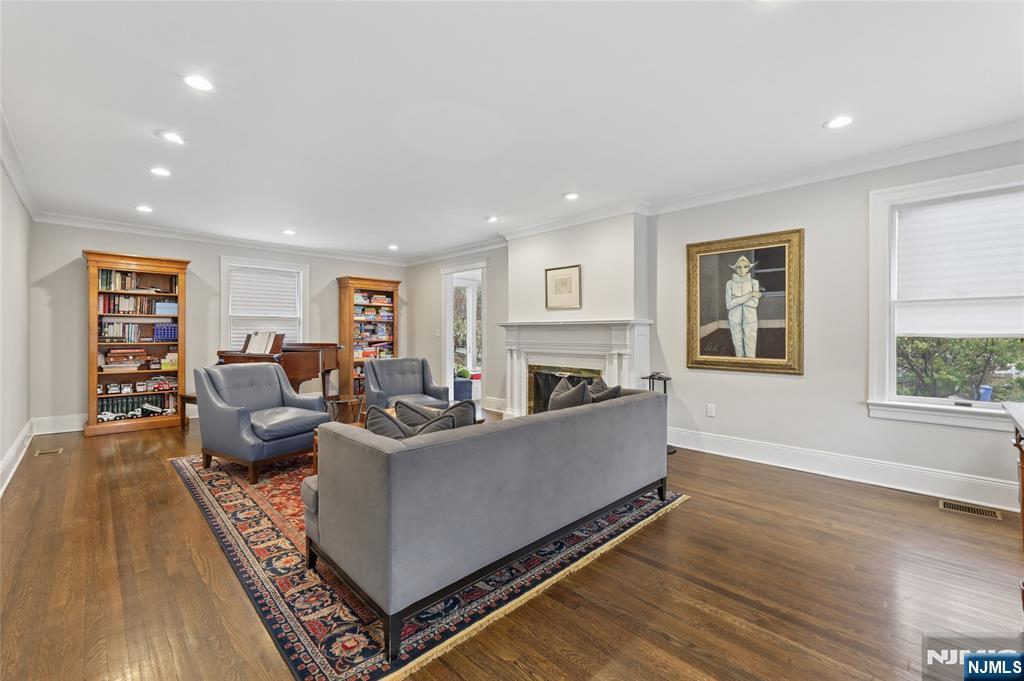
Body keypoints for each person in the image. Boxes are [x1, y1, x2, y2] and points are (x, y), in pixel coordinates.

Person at [724, 255, 762, 358]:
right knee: (738, 347)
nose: (742, 269)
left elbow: (754, 304)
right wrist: (750, 295)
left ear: (749, 267)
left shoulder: (754, 283)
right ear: (735, 268)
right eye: (739, 267)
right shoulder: (729, 284)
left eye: (745, 266)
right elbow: (728, 305)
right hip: (734, 319)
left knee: (750, 347)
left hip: (750, 319)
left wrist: (736, 299)